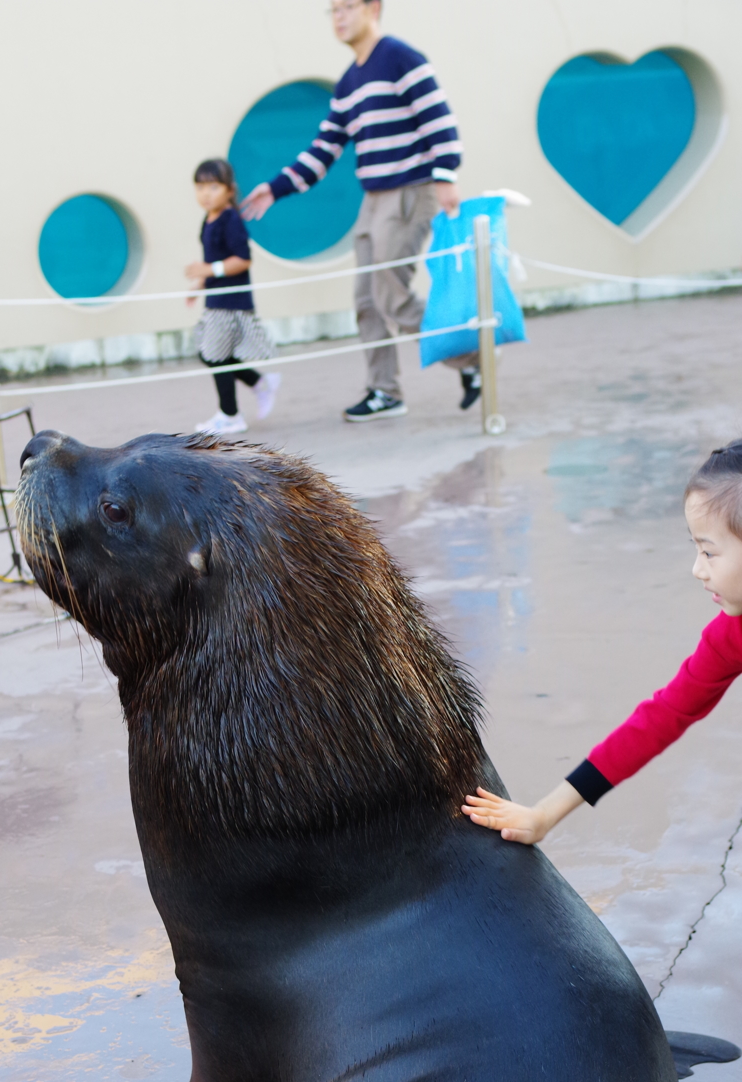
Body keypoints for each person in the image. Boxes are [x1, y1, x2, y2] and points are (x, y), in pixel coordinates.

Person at [462, 443, 742, 844]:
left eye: (710, 552)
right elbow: (660, 718)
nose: (697, 569)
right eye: (696, 548)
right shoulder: (728, 637)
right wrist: (544, 814)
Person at [240, 0, 480, 422]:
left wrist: (446, 178)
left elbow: (439, 120)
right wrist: (276, 189)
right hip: (373, 199)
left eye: (347, 7)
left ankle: (474, 358)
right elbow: (325, 147)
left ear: (374, 8)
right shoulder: (350, 82)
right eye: (332, 10)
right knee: (367, 300)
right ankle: (384, 391)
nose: (339, 17)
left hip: (409, 190)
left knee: (391, 296)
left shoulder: (401, 58)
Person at [185, 158, 281, 436]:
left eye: (213, 187)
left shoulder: (230, 219)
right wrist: (200, 284)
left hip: (232, 301)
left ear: (229, 190)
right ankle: (260, 383)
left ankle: (230, 415)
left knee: (215, 354)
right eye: (200, 186)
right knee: (209, 353)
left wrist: (208, 270)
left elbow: (243, 259)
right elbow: (212, 260)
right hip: (215, 299)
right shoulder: (208, 219)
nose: (206, 193)